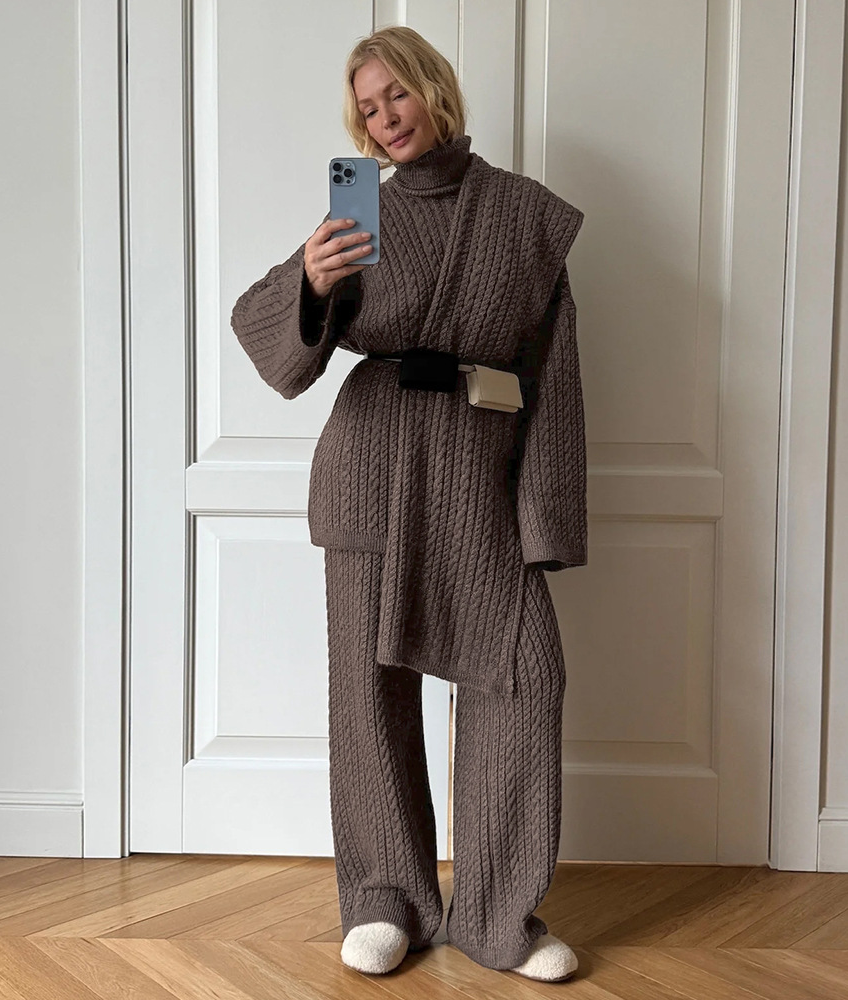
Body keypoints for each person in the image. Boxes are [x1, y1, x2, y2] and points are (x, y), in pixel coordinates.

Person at [230, 25, 586, 982]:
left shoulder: (527, 216)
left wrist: (546, 520)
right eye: (367, 107)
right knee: (369, 691)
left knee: (523, 677)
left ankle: (499, 914)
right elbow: (263, 332)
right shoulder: (362, 213)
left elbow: (553, 375)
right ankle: (386, 897)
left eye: (396, 94)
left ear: (434, 88)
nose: (385, 118)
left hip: (478, 472)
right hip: (370, 469)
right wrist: (311, 282)